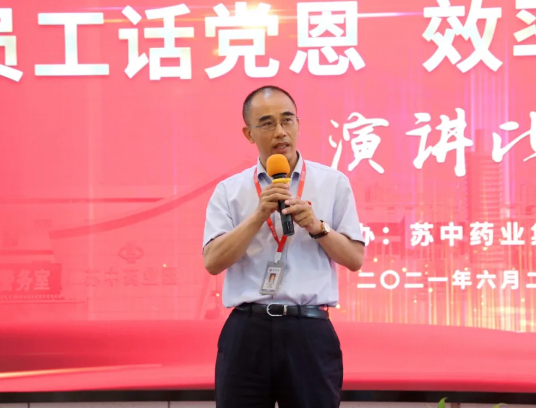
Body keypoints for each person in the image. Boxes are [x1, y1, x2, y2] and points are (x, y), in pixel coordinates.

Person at [202, 85, 365, 408]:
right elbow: (213, 261)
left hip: (309, 331)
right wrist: (257, 216)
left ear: (298, 124)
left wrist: (318, 228)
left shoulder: (333, 183)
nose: (280, 132)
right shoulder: (229, 191)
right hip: (247, 331)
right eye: (267, 124)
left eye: (287, 120)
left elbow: (355, 258)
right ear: (249, 133)